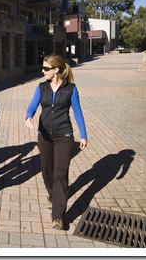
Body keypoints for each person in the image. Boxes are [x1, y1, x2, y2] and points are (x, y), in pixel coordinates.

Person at [25, 54, 87, 230]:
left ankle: (58, 216)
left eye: (45, 68)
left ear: (56, 70)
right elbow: (32, 106)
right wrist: (28, 116)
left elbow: (78, 113)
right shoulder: (41, 87)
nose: (42, 71)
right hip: (44, 135)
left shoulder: (71, 89)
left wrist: (83, 134)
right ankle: (52, 195)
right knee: (47, 170)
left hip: (64, 136)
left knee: (60, 174)